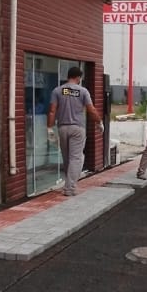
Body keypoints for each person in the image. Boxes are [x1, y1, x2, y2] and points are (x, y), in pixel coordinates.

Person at [46, 66, 100, 196]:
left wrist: (49, 127)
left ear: (68, 76)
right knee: (76, 158)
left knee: (67, 158)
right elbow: (91, 109)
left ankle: (68, 184)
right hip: (77, 128)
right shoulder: (83, 91)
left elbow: (52, 110)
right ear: (78, 78)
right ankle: (69, 188)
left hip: (62, 128)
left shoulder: (57, 91)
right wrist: (99, 121)